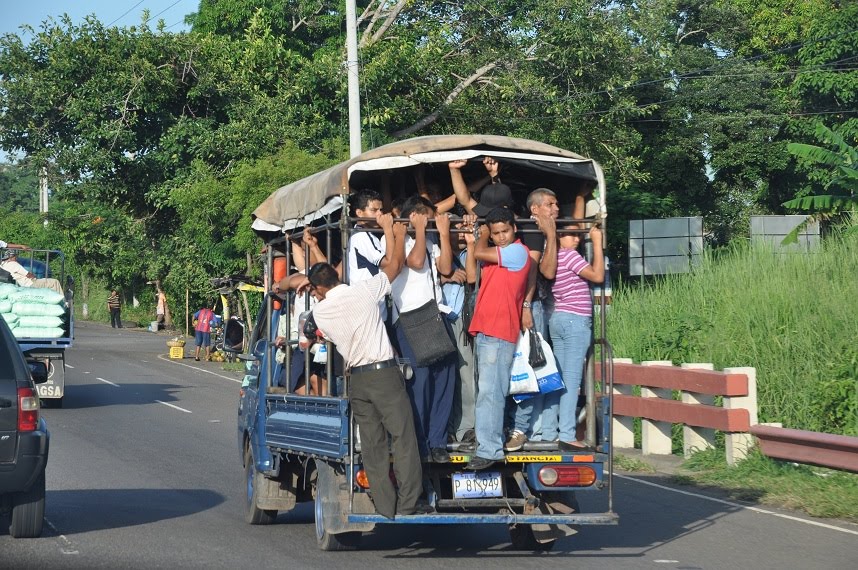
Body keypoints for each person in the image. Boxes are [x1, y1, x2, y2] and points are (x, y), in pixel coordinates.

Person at [297, 214, 430, 519]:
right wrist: (392, 231)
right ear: (335, 276)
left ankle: (386, 507)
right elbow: (395, 266)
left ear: (318, 289)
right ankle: (409, 503)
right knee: (403, 437)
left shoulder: (321, 313)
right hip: (383, 374)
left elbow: (321, 321)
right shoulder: (361, 291)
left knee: (373, 445)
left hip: (357, 380)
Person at [382, 196, 455, 463]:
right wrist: (420, 230)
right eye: (426, 216)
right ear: (415, 216)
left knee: (445, 378)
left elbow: (445, 268)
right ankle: (421, 442)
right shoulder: (395, 239)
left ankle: (438, 441)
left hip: (436, 315)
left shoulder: (432, 241)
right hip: (410, 317)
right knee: (420, 381)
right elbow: (414, 262)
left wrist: (444, 236)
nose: (430, 221)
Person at [466, 207, 535, 470]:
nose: (501, 236)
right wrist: (477, 239)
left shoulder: (517, 252)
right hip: (487, 328)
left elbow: (479, 252)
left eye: (504, 231)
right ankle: (487, 444)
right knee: (487, 391)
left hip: (498, 329)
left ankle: (490, 449)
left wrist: (481, 236)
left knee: (491, 393)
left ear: (514, 229)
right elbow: (474, 272)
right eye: (495, 233)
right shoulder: (497, 256)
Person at [542, 224, 604, 450]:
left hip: (558, 318)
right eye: (570, 235)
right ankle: (567, 433)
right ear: (559, 237)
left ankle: (549, 431)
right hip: (575, 320)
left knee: (558, 378)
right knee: (570, 380)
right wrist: (596, 241)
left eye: (578, 235)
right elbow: (597, 275)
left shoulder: (553, 256)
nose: (576, 239)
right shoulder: (569, 256)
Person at [443, 211, 479, 444]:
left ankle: (467, 427)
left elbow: (472, 277)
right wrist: (445, 278)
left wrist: (472, 240)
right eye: (452, 228)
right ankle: (445, 427)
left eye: (460, 228)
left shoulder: (470, 253)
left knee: (467, 376)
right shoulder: (436, 254)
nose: (458, 233)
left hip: (463, 320)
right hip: (439, 319)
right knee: (444, 379)